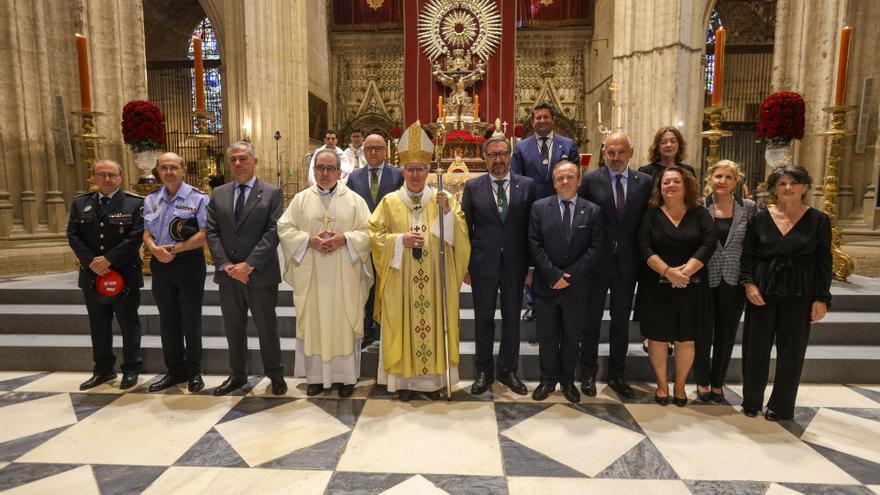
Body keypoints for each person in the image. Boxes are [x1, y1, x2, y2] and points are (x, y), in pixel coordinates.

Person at [368, 121, 470, 401]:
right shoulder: (389, 201)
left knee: (434, 325)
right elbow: (374, 235)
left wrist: (448, 212)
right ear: (402, 170)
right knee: (401, 324)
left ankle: (432, 382)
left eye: (420, 169)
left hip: (435, 280)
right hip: (401, 281)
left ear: (428, 170)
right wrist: (399, 241)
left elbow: (459, 235)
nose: (415, 174)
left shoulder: (443, 198)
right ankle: (403, 382)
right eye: (410, 169)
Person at [277, 149, 374, 398]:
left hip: (345, 276)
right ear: (314, 169)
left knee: (343, 322)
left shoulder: (354, 200)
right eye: (320, 167)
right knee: (314, 322)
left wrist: (345, 239)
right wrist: (308, 241)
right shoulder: (300, 200)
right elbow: (284, 227)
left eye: (330, 168)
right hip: (313, 277)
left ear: (339, 172)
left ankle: (346, 378)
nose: (325, 173)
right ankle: (316, 378)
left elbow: (368, 232)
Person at [740, 165, 831, 421]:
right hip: (762, 291)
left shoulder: (819, 220)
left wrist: (822, 298)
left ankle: (781, 405)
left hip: (800, 293)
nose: (788, 188)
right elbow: (747, 256)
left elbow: (825, 262)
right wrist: (749, 284)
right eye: (781, 183)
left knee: (791, 352)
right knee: (755, 348)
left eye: (794, 182)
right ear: (773, 189)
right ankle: (751, 400)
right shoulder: (759, 218)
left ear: (805, 187)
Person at [207, 141, 287, 396]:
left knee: (267, 327)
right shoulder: (219, 193)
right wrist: (225, 264)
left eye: (243, 158)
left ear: (254, 161)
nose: (238, 164)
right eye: (233, 160)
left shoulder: (272, 193)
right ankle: (237, 375)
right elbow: (212, 231)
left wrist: (249, 264)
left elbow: (273, 231)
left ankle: (275, 375)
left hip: (260, 274)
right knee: (234, 328)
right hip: (229, 275)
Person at [576, 132, 653, 399]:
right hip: (596, 262)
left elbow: (647, 223)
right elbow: (580, 220)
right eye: (611, 152)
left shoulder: (645, 183)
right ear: (603, 152)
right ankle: (587, 372)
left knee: (621, 321)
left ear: (631, 152)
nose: (616, 157)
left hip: (628, 263)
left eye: (621, 152)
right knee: (591, 320)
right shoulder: (589, 180)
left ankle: (617, 375)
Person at [635, 166, 715, 407]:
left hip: (692, 284)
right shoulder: (651, 213)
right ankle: (662, 385)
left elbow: (709, 242)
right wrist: (668, 272)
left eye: (675, 181)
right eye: (665, 182)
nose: (670, 186)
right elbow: (643, 245)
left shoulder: (699, 213)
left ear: (685, 184)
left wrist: (685, 272)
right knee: (657, 338)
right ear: (659, 188)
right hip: (656, 284)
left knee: (686, 338)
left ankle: (680, 385)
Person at [461, 136, 536, 396]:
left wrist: (531, 266)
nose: (498, 159)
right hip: (483, 263)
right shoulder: (472, 187)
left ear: (510, 156)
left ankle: (508, 370)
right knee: (483, 319)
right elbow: (465, 229)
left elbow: (531, 230)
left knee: (512, 319)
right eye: (492, 155)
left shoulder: (527, 186)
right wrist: (466, 266)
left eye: (503, 154)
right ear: (485, 158)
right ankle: (483, 371)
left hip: (516, 264)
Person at [528, 161, 603, 403]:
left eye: (570, 177)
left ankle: (568, 381)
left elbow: (595, 248)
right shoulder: (539, 208)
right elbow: (535, 244)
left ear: (579, 180)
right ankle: (547, 380)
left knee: (572, 337)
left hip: (577, 287)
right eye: (560, 178)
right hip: (546, 285)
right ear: (553, 182)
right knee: (547, 337)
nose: (565, 182)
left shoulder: (593, 211)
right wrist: (553, 275)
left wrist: (569, 276)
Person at [67, 159, 144, 390]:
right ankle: (103, 370)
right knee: (98, 325)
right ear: (94, 177)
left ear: (121, 177)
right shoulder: (81, 203)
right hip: (92, 275)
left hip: (124, 274)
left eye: (112, 174)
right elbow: (73, 235)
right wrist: (92, 261)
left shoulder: (134, 204)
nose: (107, 179)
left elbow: (136, 236)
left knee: (129, 325)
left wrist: (109, 260)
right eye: (102, 174)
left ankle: (131, 369)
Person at [143, 152, 208, 392]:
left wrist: (177, 248)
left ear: (183, 169)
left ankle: (194, 371)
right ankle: (174, 370)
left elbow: (203, 233)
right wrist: (152, 249)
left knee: (191, 319)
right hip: (160, 263)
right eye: (163, 168)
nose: (168, 172)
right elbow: (147, 231)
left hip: (188, 263)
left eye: (173, 167)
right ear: (157, 171)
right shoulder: (151, 199)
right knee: (168, 319)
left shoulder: (198, 198)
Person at [694, 160, 756, 403]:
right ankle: (701, 381)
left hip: (733, 277)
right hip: (704, 276)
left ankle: (718, 382)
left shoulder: (748, 208)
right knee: (702, 332)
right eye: (718, 176)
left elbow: (753, 243)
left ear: (736, 181)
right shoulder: (700, 206)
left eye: (728, 177)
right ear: (709, 179)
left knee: (726, 333)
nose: (722, 181)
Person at [511, 103, 579, 322]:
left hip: (563, 207)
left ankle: (563, 295)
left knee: (560, 251)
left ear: (553, 120)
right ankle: (531, 303)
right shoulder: (521, 147)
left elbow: (576, 175)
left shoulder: (567, 145)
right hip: (532, 210)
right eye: (538, 118)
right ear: (532, 122)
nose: (542, 121)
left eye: (545, 117)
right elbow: (516, 180)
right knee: (533, 255)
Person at [637, 126, 696, 357]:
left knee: (677, 290)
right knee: (653, 291)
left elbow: (692, 199)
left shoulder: (687, 170)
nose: (668, 145)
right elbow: (643, 204)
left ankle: (672, 336)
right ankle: (652, 335)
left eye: (673, 141)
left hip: (680, 238)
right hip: (654, 235)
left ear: (679, 145)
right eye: (664, 141)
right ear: (657, 145)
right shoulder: (646, 171)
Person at [347, 133, 404, 349]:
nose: (373, 152)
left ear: (386, 151)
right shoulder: (354, 178)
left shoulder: (398, 175)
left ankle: (386, 329)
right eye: (369, 148)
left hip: (388, 241)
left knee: (388, 285)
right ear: (363, 150)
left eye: (378, 148)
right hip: (362, 241)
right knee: (366, 286)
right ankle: (368, 330)